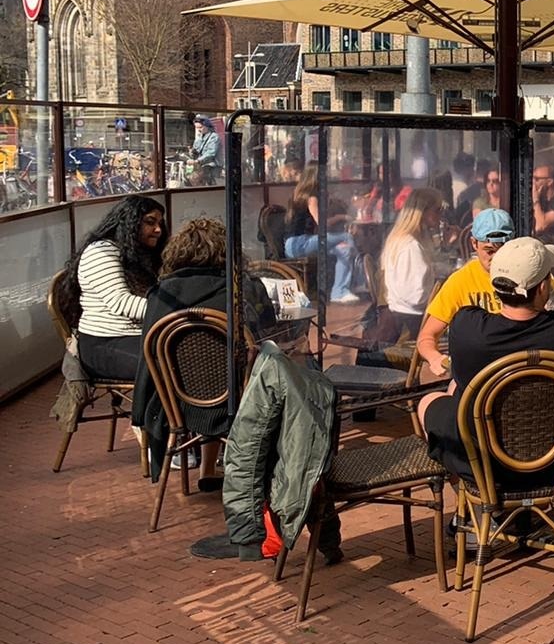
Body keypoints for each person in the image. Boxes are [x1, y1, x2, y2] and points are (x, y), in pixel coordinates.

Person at [417, 238, 554, 485]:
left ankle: (476, 500)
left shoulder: (466, 325)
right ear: (544, 287)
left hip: (482, 462)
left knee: (436, 397)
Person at [132, 218, 273, 486]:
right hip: (238, 402)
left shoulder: (161, 295)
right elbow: (266, 329)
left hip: (176, 405)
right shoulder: (240, 288)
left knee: (206, 374)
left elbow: (148, 353)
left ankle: (207, 469)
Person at [58, 196, 168, 381]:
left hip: (136, 338)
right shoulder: (101, 252)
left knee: (191, 354)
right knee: (171, 366)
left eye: (160, 223)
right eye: (150, 222)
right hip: (103, 344)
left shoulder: (138, 253)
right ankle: (154, 411)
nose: (158, 230)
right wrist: (176, 311)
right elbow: (122, 303)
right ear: (130, 223)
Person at [417, 208, 514, 377]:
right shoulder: (461, 281)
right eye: (489, 251)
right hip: (477, 374)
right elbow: (426, 337)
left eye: (502, 250)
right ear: (474, 244)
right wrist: (435, 358)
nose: (497, 257)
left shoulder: (530, 272)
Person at [285, 165, 361, 304]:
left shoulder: (299, 193)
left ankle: (340, 291)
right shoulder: (312, 196)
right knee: (347, 237)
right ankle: (360, 281)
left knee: (344, 249)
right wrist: (342, 217)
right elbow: (322, 224)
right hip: (299, 244)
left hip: (299, 243)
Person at [377, 187, 445, 340]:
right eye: (438, 210)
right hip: (410, 325)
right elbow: (415, 297)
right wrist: (444, 292)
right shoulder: (410, 246)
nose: (441, 215)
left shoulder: (409, 239)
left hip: (404, 317)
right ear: (422, 211)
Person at [189, 116, 220, 186]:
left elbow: (211, 153)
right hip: (200, 165)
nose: (199, 130)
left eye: (200, 127)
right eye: (197, 128)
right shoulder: (199, 138)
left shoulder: (214, 137)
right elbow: (196, 150)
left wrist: (198, 161)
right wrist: (192, 152)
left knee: (199, 179)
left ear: (207, 126)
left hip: (211, 166)